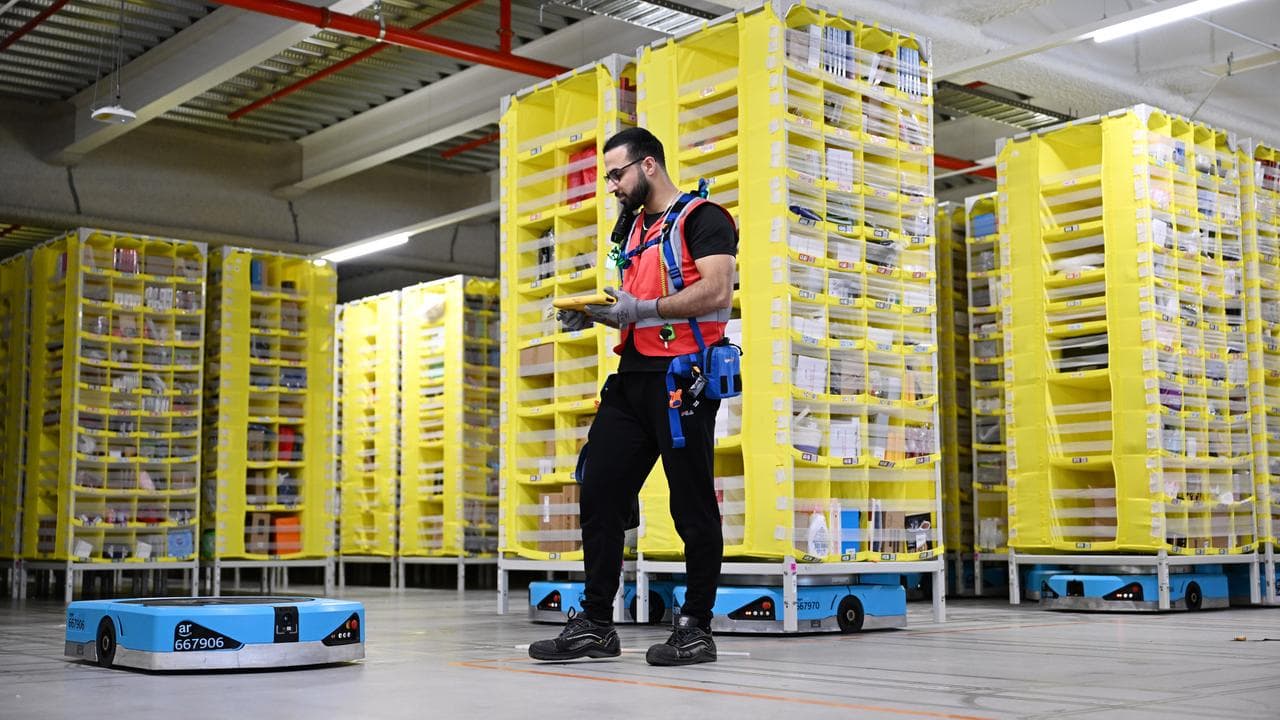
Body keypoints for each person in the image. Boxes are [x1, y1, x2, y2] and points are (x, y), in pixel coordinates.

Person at [528, 127, 737, 666]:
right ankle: (597, 623)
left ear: (648, 166)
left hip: (682, 382)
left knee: (690, 505)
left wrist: (636, 311)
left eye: (616, 174)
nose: (611, 186)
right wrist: (594, 315)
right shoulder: (633, 230)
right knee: (598, 490)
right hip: (632, 379)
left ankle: (696, 627)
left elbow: (715, 291)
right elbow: (632, 304)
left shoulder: (703, 218)